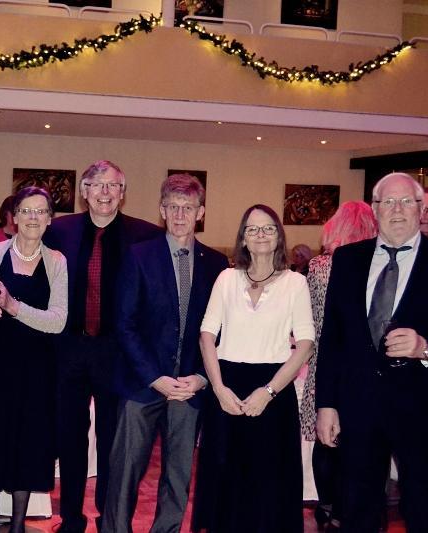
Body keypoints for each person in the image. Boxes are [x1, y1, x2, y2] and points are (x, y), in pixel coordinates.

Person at [316, 172, 428, 532]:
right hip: (360, 407)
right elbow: (332, 338)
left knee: (425, 513)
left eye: (406, 201)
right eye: (388, 202)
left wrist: (426, 348)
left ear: (420, 209)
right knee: (357, 512)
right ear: (375, 209)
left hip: (426, 410)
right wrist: (327, 404)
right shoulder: (348, 259)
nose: (397, 210)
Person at [101, 174, 227, 533]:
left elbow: (221, 329)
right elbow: (124, 324)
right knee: (124, 473)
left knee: (178, 476)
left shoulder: (217, 264)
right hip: (142, 385)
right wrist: (154, 377)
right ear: (162, 210)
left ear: (200, 212)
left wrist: (201, 378)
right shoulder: (138, 255)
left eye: (188, 207)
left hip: (189, 388)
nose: (180, 215)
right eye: (172, 207)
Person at [42, 160, 162, 532]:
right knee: (69, 438)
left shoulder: (146, 236)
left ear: (123, 193)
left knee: (114, 440)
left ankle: (109, 518)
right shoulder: (59, 231)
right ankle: (71, 518)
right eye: (97, 185)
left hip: (118, 354)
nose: (105, 192)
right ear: (84, 192)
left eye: (113, 186)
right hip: (69, 350)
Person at [193, 204, 315, 533]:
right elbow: (206, 336)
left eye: (268, 228)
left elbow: (305, 343)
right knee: (224, 480)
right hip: (227, 389)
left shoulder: (295, 283)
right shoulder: (226, 278)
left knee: (268, 484)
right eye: (252, 229)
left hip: (273, 391)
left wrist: (269, 391)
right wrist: (219, 389)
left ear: (279, 237)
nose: (260, 234)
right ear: (243, 238)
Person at [0, 186, 68, 533]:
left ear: (49, 219)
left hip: (38, 370)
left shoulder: (57, 261)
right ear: (13, 217)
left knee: (29, 446)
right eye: (26, 210)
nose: (33, 217)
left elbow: (58, 321)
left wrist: (13, 307)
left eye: (40, 211)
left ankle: (17, 526)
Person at [300, 201, 377, 529]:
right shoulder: (373, 266)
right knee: (358, 442)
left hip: (322, 360)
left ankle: (327, 505)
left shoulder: (319, 266)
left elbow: (309, 317)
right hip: (362, 366)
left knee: (324, 439)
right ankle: (347, 508)